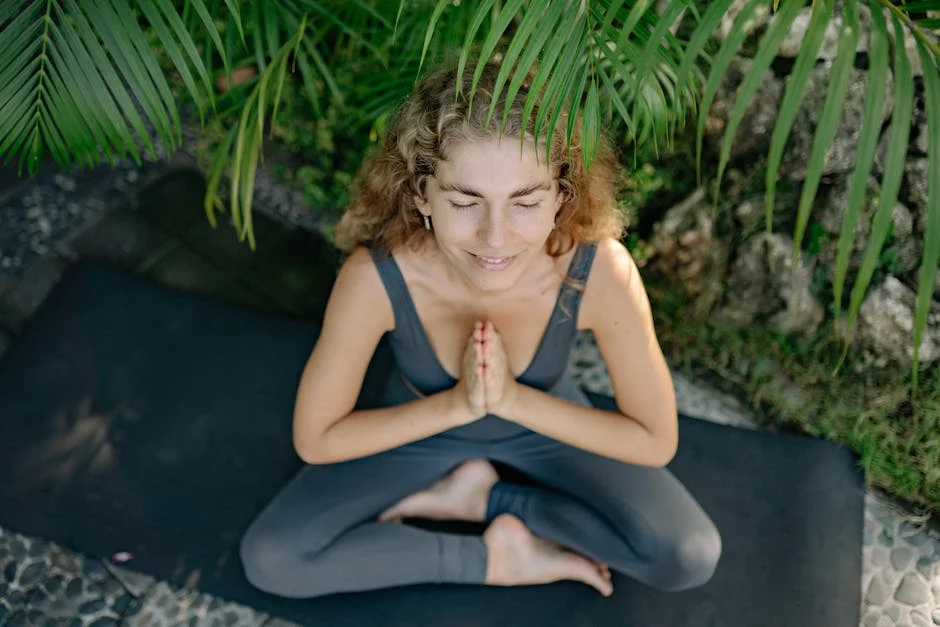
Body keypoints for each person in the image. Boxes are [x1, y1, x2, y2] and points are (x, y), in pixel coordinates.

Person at [239, 62, 721, 599]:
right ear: (423, 194)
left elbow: (655, 441)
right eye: (466, 202)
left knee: (688, 555)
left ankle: (484, 500)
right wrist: (460, 406)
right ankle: (492, 557)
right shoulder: (377, 277)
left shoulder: (600, 269)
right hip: (421, 426)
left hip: (544, 424)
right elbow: (317, 438)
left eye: (526, 202)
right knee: (273, 560)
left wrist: (510, 402)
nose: (495, 238)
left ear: (561, 197)